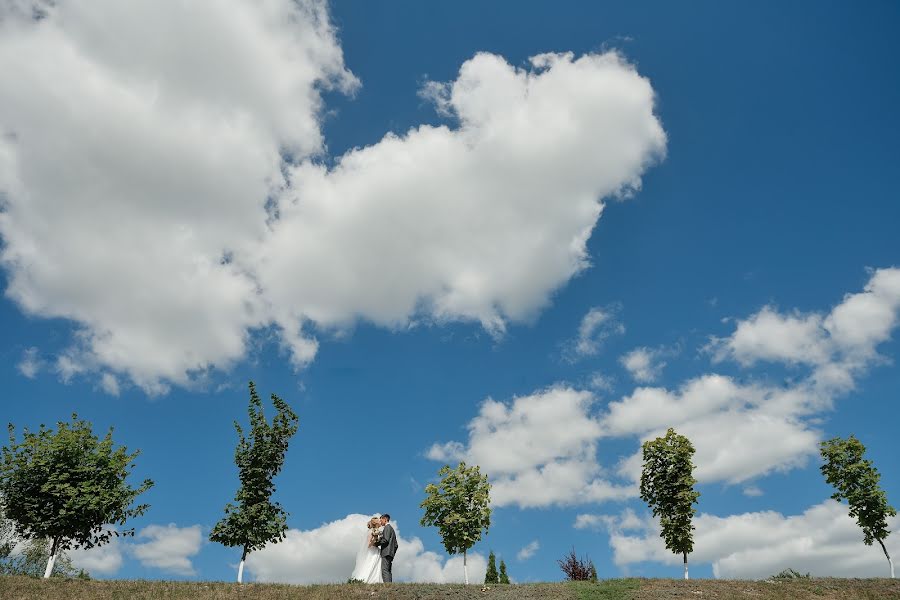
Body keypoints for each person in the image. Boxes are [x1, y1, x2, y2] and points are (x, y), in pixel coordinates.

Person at [349, 516, 383, 583]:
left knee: (377, 565)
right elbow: (369, 544)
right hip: (372, 551)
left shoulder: (377, 531)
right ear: (376, 523)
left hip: (376, 550)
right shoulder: (371, 531)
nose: (380, 522)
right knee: (370, 564)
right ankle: (365, 579)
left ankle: (377, 580)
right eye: (379, 521)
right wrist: (375, 539)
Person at [376, 513, 398, 582]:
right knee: (388, 570)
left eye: (381, 520)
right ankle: (389, 585)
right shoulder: (390, 528)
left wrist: (376, 544)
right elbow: (396, 545)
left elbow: (385, 540)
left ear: (385, 519)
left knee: (384, 570)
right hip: (390, 553)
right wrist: (392, 552)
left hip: (386, 552)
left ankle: (387, 585)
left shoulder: (387, 527)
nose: (380, 522)